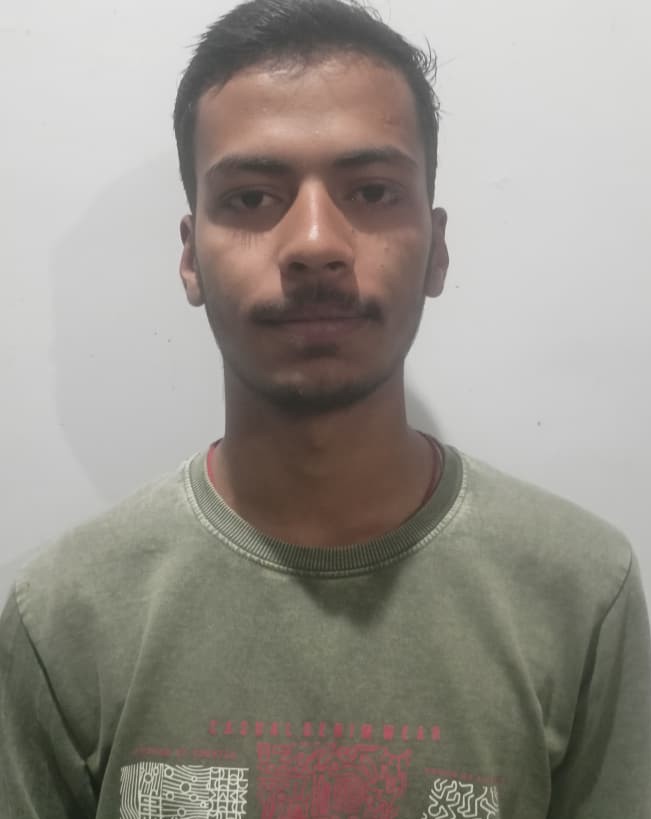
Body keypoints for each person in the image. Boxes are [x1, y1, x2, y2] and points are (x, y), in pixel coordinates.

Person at [1, 0, 649, 816]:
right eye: (250, 198)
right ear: (190, 257)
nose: (314, 243)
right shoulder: (64, 613)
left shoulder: (579, 592)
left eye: (371, 191)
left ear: (436, 249)